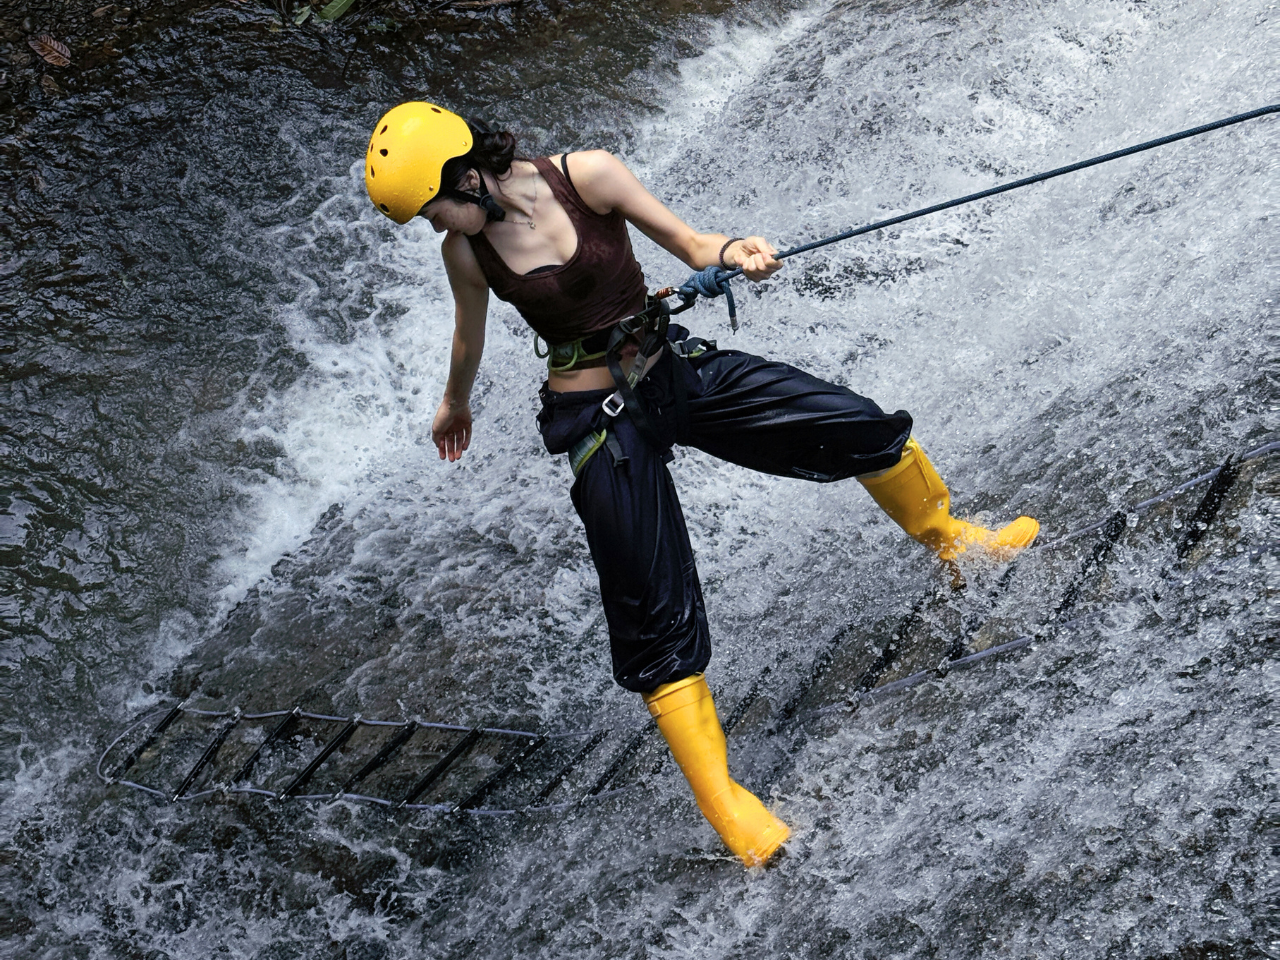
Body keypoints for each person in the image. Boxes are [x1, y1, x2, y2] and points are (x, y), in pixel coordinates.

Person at [363, 102, 1039, 868]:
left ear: (467, 173)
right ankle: (726, 804)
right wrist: (454, 400)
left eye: (433, 207)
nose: (434, 226)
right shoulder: (466, 251)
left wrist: (736, 250)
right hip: (597, 420)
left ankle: (954, 541)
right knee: (652, 608)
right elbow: (467, 331)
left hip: (673, 369)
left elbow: (691, 244)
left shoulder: (588, 176)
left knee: (855, 425)